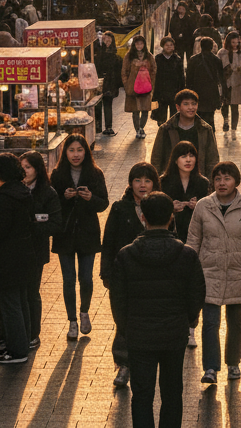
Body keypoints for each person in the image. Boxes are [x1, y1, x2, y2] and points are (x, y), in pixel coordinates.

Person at [110, 191, 206, 428]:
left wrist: (126, 328)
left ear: (143, 218)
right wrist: (188, 320)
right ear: (171, 218)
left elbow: (118, 300)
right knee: (172, 392)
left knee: (142, 393)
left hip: (139, 335)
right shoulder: (186, 255)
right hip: (173, 333)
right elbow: (196, 294)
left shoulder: (126, 255)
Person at [187, 161, 241, 384]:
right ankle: (211, 368)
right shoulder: (203, 206)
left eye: (227, 178)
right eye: (218, 179)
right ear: (213, 182)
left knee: (236, 322)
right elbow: (193, 240)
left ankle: (233, 363)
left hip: (238, 273)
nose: (222, 183)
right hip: (209, 273)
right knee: (211, 322)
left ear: (236, 182)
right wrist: (188, 270)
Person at [102, 162, 161, 389]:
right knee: (123, 319)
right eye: (138, 180)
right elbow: (108, 243)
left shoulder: (160, 206)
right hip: (123, 274)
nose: (142, 185)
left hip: (152, 275)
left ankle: (145, 362)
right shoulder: (120, 208)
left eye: (147, 180)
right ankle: (123, 363)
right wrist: (106, 272)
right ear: (130, 183)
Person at [0, 152, 37, 364]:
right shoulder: (23, 192)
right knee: (20, 302)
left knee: (11, 304)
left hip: (6, 259)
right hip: (23, 256)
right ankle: (21, 344)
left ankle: (17, 351)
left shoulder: (4, 197)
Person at [50, 135, 108, 338]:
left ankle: (84, 312)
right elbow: (50, 204)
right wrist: (63, 198)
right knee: (68, 279)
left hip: (87, 232)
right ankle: (72, 321)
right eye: (72, 150)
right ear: (65, 153)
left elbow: (104, 203)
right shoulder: (57, 175)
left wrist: (91, 198)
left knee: (86, 278)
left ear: (86, 151)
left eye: (80, 150)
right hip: (64, 233)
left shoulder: (95, 173)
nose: (76, 155)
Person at [18, 150, 63, 349]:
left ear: (38, 169)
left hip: (36, 250)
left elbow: (55, 223)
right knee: (16, 293)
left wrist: (31, 225)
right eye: (22, 168)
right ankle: (11, 331)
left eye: (28, 167)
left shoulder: (47, 192)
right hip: (16, 250)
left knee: (31, 292)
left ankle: (33, 333)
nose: (24, 171)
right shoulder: (15, 189)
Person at [149, 90, 220, 174]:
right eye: (186, 104)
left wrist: (209, 182)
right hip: (172, 179)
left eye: (193, 104)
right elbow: (156, 159)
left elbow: (212, 160)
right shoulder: (166, 129)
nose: (191, 107)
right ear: (178, 107)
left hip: (198, 179)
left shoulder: (205, 129)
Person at [160, 141, 210, 244]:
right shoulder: (163, 182)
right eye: (183, 156)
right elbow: (156, 210)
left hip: (195, 236)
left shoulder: (203, 183)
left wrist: (198, 206)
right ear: (175, 160)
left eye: (191, 156)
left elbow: (209, 211)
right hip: (169, 236)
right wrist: (170, 208)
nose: (188, 160)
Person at [186, 37, 225, 130]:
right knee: (210, 118)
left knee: (198, 117)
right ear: (211, 47)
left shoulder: (193, 59)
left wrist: (188, 94)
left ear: (200, 46)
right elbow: (221, 79)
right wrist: (223, 95)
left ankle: (199, 139)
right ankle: (210, 138)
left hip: (197, 93)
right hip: (212, 94)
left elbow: (188, 79)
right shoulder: (216, 60)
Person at [122, 35, 156, 138]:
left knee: (145, 110)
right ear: (134, 45)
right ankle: (138, 130)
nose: (139, 46)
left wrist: (151, 83)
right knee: (135, 110)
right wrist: (127, 84)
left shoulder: (149, 56)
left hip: (146, 87)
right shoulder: (129, 56)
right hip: (133, 88)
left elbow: (154, 70)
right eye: (137, 44)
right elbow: (124, 72)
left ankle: (141, 128)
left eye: (141, 43)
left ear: (144, 45)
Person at [94, 31, 122, 135]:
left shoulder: (115, 57)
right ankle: (98, 126)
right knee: (97, 104)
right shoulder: (98, 53)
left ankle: (108, 127)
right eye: (105, 39)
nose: (107, 42)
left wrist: (117, 86)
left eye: (109, 40)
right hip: (98, 82)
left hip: (110, 83)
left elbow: (118, 72)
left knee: (107, 104)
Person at [153, 37, 185, 126]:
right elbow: (154, 75)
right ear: (163, 46)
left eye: (171, 45)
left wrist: (182, 90)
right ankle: (162, 131)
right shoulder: (158, 58)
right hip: (161, 90)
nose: (169, 47)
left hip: (174, 90)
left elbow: (181, 75)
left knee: (174, 114)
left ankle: (172, 131)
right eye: (167, 45)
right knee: (161, 115)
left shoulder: (177, 59)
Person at [219, 31, 241, 134]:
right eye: (233, 42)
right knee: (225, 104)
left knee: (235, 106)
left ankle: (234, 128)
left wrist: (240, 69)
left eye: (237, 42)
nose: (235, 45)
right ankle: (226, 120)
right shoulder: (222, 52)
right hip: (225, 82)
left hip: (237, 82)